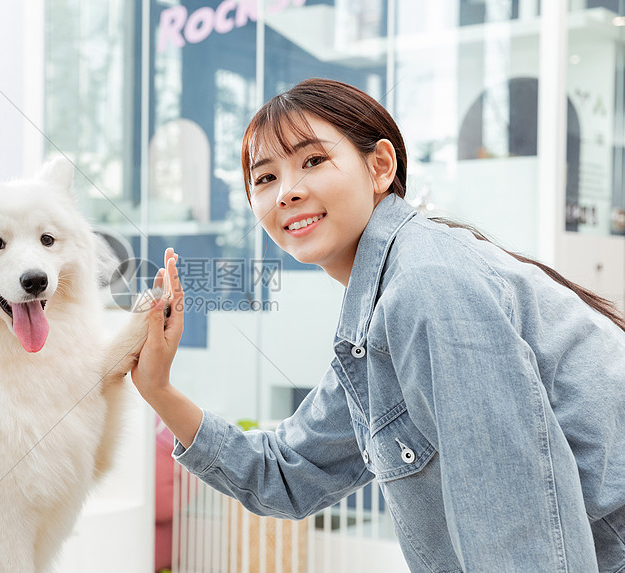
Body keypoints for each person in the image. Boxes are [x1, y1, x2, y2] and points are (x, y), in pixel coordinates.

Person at [131, 78, 625, 572]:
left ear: (380, 167)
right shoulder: (379, 310)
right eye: (264, 178)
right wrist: (156, 387)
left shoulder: (427, 284)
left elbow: (520, 538)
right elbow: (287, 473)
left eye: (313, 161)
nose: (287, 192)